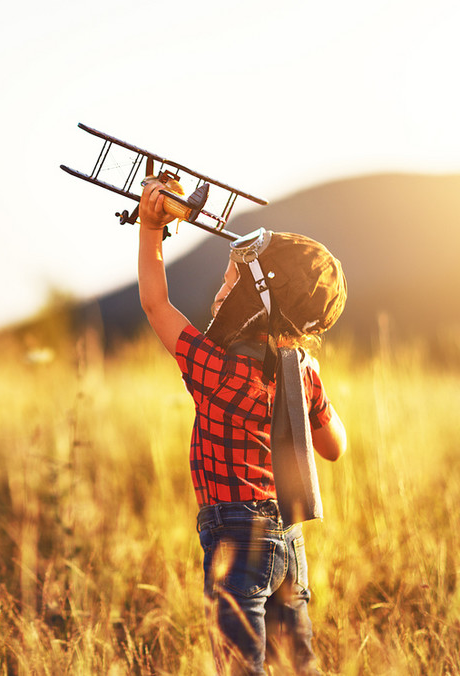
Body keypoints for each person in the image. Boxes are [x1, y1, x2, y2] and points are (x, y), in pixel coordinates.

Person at [136, 177, 348, 675]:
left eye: (231, 282)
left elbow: (155, 305)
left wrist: (150, 229)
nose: (221, 290)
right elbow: (335, 446)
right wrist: (315, 391)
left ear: (257, 301)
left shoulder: (222, 370)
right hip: (287, 538)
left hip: (234, 537)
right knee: (298, 662)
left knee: (240, 666)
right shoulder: (303, 374)